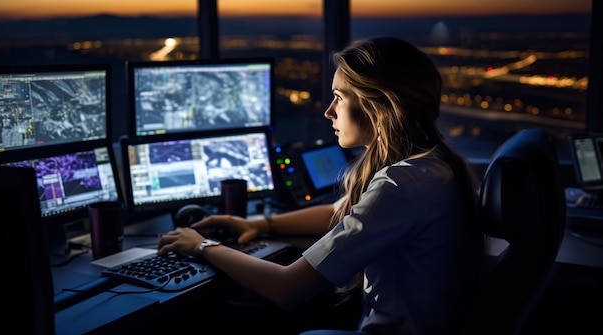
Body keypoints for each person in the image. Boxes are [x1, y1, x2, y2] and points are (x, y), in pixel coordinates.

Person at [157, 36, 486, 335]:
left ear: (380, 105)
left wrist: (201, 246)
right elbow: (339, 212)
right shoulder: (437, 166)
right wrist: (257, 224)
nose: (329, 112)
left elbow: (287, 288)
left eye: (338, 98)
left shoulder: (401, 184)